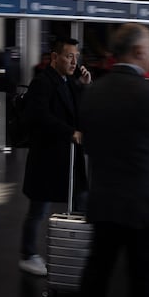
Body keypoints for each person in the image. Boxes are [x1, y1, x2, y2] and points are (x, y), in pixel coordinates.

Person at [79, 23, 149, 297]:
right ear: (138, 51)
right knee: (144, 281)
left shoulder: (93, 93)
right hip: (146, 207)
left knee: (97, 275)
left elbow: (88, 144)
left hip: (105, 203)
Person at [18, 37, 91, 276]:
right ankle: (28, 254)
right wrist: (70, 132)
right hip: (48, 157)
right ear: (54, 57)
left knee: (78, 200)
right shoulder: (42, 82)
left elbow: (76, 111)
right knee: (38, 208)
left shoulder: (68, 81)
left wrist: (83, 86)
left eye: (76, 56)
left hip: (66, 157)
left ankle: (75, 247)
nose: (74, 61)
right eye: (69, 56)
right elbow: (38, 116)